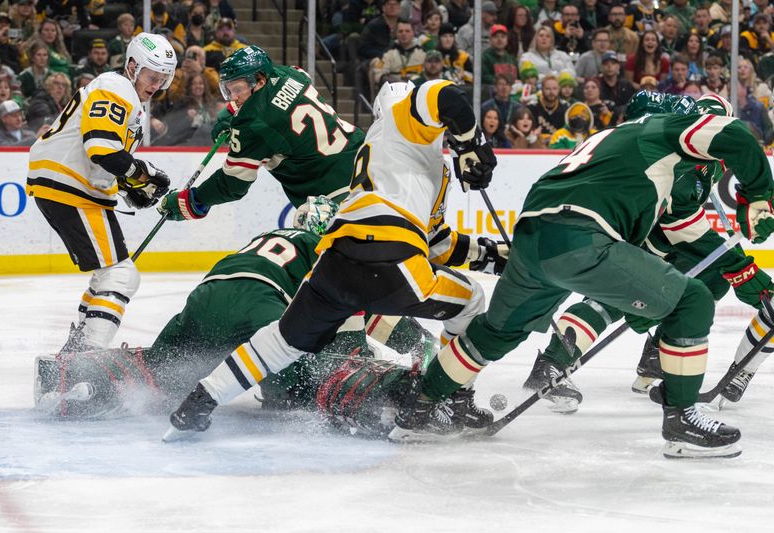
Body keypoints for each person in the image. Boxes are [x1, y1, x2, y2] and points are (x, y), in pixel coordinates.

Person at [418, 92, 774, 457]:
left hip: (532, 236)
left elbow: (680, 222)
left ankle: (418, 405)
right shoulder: (663, 131)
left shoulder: (610, 140)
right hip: (582, 237)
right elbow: (733, 134)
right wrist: (758, 195)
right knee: (692, 299)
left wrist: (738, 264)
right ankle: (682, 420)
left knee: (495, 333)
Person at [165, 79, 499, 441]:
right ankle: (444, 399)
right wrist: (472, 145)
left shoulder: (397, 156)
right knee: (472, 302)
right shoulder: (403, 123)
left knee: (283, 341)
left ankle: (201, 399)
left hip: (337, 258)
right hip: (392, 258)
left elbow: (438, 244)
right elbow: (449, 95)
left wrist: (491, 254)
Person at [25, 33, 176, 352]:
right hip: (70, 186)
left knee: (110, 274)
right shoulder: (115, 87)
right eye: (152, 76)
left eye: (162, 79)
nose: (155, 85)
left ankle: (78, 348)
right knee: (121, 275)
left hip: (72, 186)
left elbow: (106, 155)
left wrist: (131, 183)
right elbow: (102, 148)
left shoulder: (124, 95)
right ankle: (84, 356)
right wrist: (142, 173)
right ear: (133, 66)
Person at [158, 45, 365, 222]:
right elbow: (303, 74)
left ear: (259, 80)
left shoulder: (254, 124)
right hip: (365, 158)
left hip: (335, 193)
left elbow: (233, 183)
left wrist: (193, 201)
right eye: (228, 91)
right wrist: (233, 113)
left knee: (316, 242)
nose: (233, 98)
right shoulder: (288, 74)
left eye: (237, 89)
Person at [371, 19, 426, 88]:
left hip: (417, 88)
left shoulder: (423, 54)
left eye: (407, 31)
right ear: (396, 34)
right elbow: (379, 74)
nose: (404, 34)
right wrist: (398, 83)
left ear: (413, 34)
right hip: (394, 89)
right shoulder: (387, 54)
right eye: (400, 31)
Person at [528, 74, 568, 143]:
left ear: (559, 90)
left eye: (554, 88)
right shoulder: (532, 107)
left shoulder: (565, 107)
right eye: (548, 89)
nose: (551, 92)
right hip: (537, 145)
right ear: (542, 89)